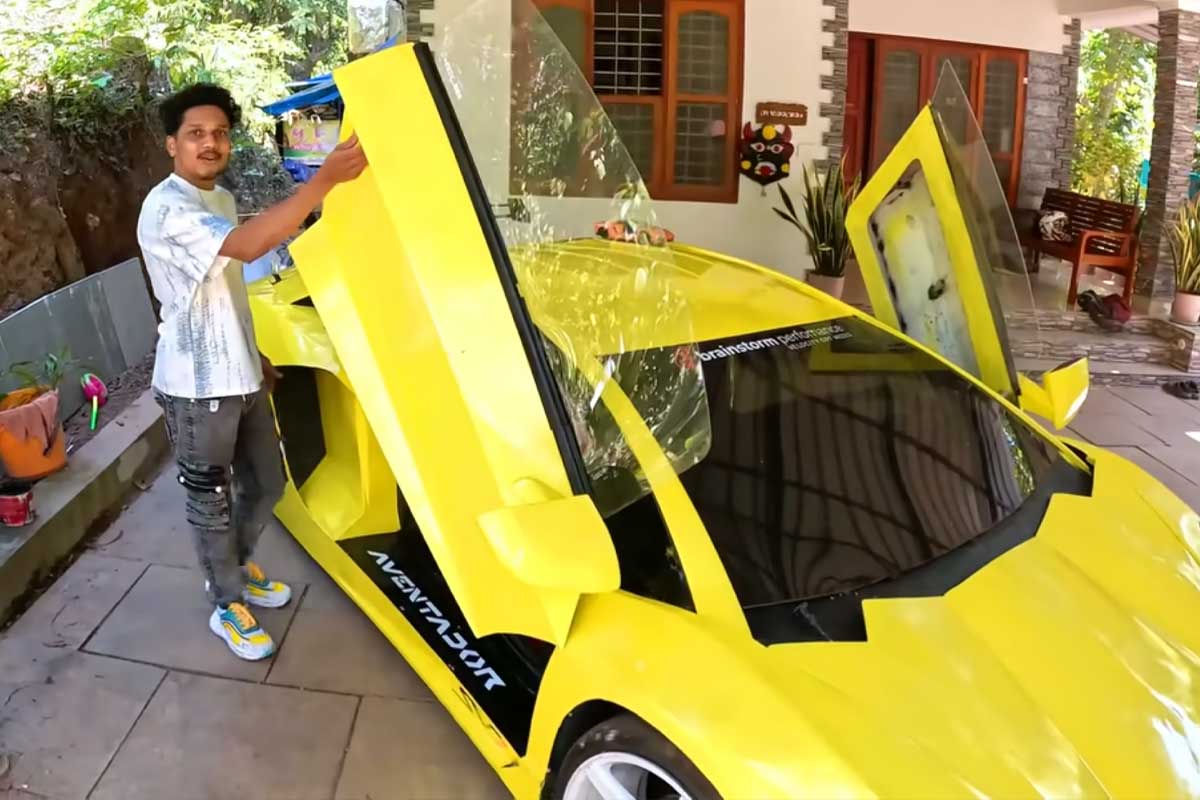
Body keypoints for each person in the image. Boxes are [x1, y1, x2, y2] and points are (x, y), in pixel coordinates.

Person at [137, 83, 367, 661]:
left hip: (240, 374)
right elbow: (246, 246)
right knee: (209, 499)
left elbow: (226, 288)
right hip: (196, 387)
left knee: (267, 483)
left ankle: (234, 568)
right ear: (172, 144)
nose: (210, 143)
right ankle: (225, 602)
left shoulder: (217, 197)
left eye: (220, 133)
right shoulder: (167, 208)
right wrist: (323, 182)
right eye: (196, 133)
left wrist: (253, 351)